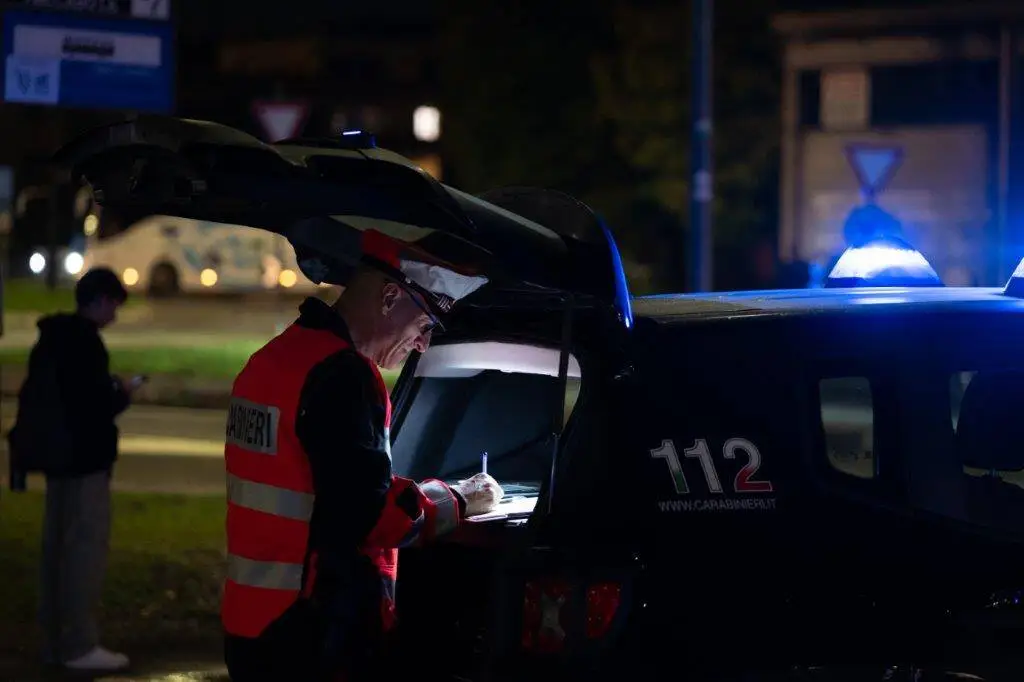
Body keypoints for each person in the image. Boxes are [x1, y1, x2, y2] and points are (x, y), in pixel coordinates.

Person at [222, 230, 504, 681]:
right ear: (390, 297)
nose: (423, 345)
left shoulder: (272, 360)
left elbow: (309, 486)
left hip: (252, 620)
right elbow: (371, 517)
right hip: (315, 631)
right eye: (425, 325)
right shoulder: (344, 376)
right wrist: (460, 499)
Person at [8, 267, 137, 672]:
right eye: (113, 305)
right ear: (99, 301)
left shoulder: (51, 339)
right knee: (83, 551)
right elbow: (94, 408)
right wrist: (122, 391)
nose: (114, 315)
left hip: (56, 462)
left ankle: (54, 641)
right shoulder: (86, 345)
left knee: (55, 552)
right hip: (84, 462)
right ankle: (79, 645)